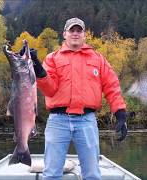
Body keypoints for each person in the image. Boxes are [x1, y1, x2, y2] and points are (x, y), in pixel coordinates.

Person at [25, 17, 128, 180]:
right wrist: (38, 69)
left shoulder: (98, 59)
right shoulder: (52, 58)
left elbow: (112, 87)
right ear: (64, 34)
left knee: (92, 174)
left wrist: (120, 114)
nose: (75, 33)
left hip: (87, 121)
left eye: (78, 30)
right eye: (71, 30)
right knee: (51, 174)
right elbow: (49, 90)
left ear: (84, 35)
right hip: (58, 121)